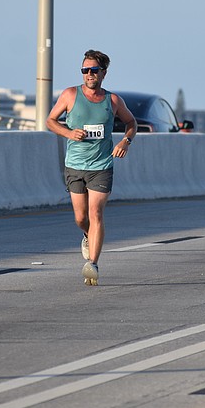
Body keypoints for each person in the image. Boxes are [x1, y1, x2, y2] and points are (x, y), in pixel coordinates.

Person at [46, 49, 137, 286]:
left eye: (93, 70)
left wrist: (125, 141)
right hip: (74, 165)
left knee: (96, 213)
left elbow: (131, 122)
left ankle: (93, 264)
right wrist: (68, 132)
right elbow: (50, 121)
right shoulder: (69, 95)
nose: (89, 74)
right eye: (85, 70)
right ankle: (88, 235)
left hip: (101, 166)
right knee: (80, 217)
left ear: (103, 73)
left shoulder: (113, 101)